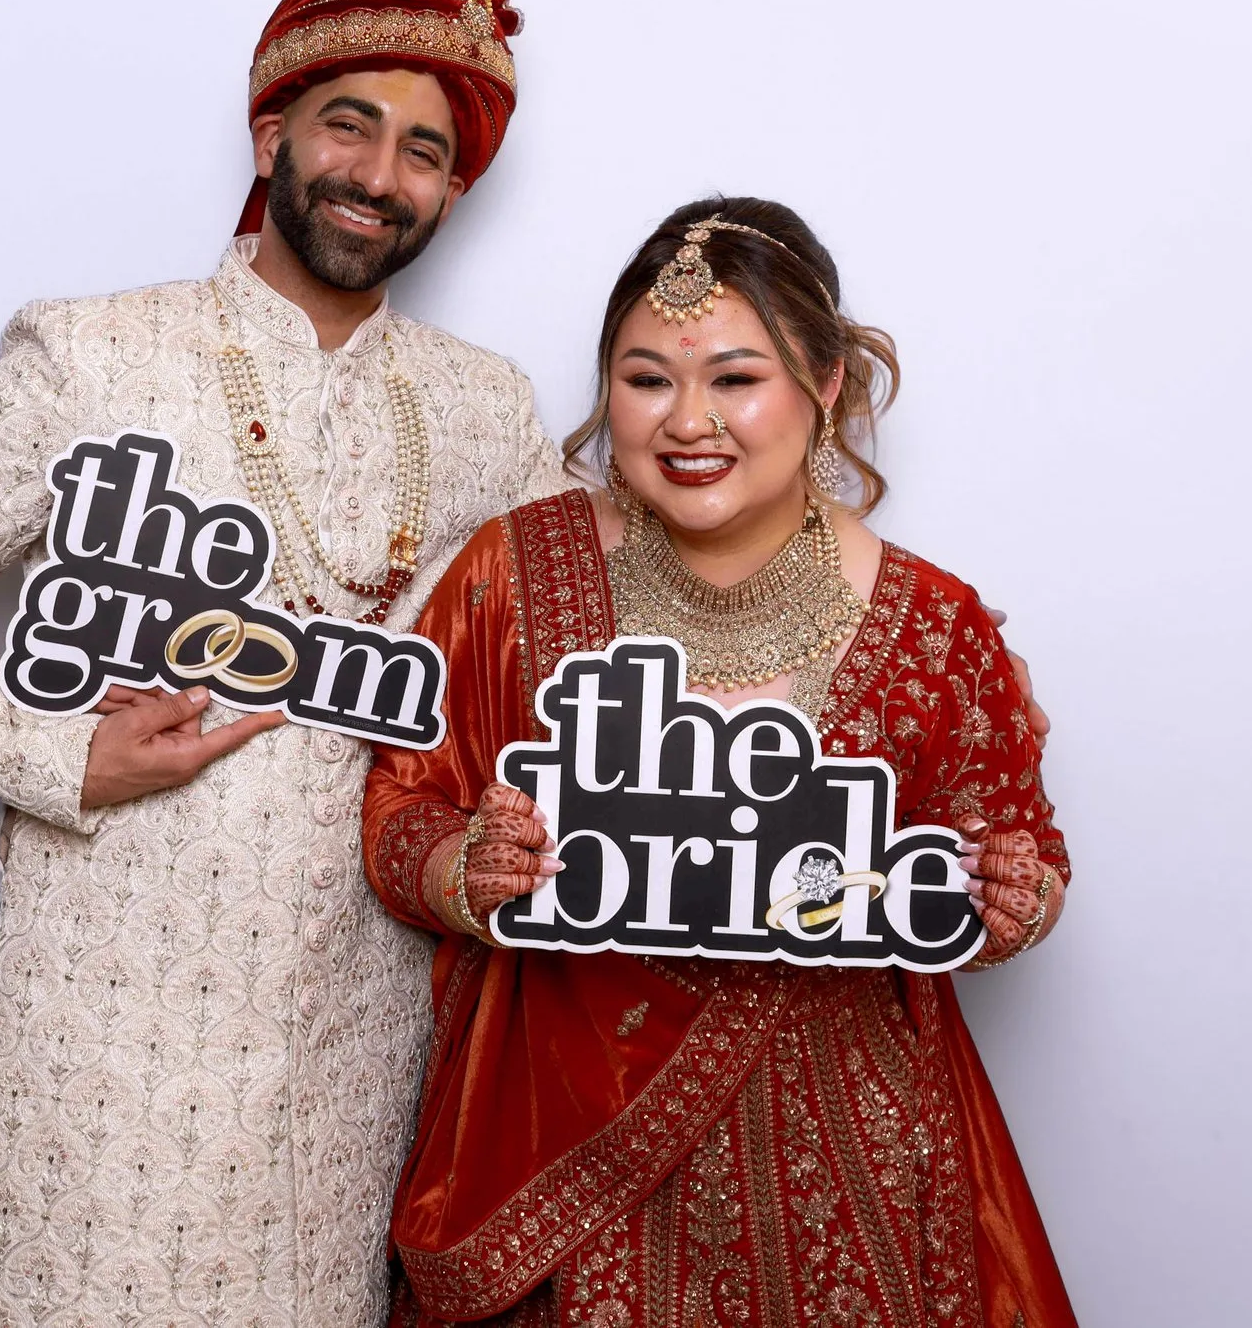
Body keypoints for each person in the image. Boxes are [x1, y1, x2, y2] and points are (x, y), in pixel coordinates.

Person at [0, 0, 572, 1328]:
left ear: (453, 191)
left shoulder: (484, 405)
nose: (379, 175)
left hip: (353, 1027)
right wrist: (54, 753)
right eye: (350, 127)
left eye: (426, 151)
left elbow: (579, 631)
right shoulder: (95, 347)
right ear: (273, 132)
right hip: (110, 1014)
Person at [362, 198, 1077, 1327]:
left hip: (845, 1178)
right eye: (647, 379)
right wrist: (465, 866)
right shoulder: (512, 572)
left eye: (735, 377)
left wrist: (1011, 897)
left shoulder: (934, 624)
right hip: (557, 1160)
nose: (688, 420)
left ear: (826, 384)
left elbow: (1018, 858)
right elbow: (401, 800)